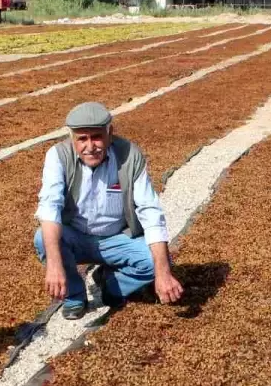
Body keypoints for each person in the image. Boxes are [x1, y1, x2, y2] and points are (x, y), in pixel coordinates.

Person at [35, 101, 184, 319]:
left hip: (117, 238)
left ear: (110, 133)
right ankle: (74, 296)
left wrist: (163, 274)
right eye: (82, 139)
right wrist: (54, 266)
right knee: (43, 239)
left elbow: (150, 211)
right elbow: (50, 208)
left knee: (159, 262)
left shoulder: (129, 156)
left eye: (96, 136)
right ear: (72, 138)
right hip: (76, 236)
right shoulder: (57, 156)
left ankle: (111, 285)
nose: (90, 146)